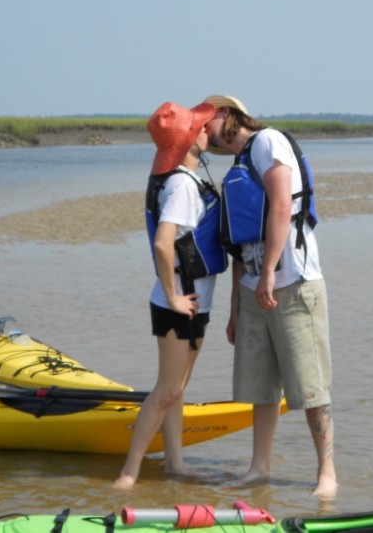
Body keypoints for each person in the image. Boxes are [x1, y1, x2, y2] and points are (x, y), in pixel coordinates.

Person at [201, 94, 338, 499]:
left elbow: (281, 207)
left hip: (294, 282)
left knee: (310, 385)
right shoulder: (239, 164)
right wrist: (235, 307)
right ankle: (259, 467)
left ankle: (327, 472)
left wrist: (270, 271)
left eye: (205, 121)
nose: (202, 131)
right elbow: (240, 245)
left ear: (225, 114)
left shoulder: (268, 142)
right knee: (260, 387)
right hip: (252, 290)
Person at [114, 100, 226, 490]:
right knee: (166, 391)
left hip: (194, 301)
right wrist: (174, 296)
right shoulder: (180, 184)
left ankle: (175, 464)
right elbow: (164, 245)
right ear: (188, 140)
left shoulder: (185, 178)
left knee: (176, 390)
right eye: (201, 127)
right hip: (180, 303)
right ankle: (129, 472)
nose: (207, 129)